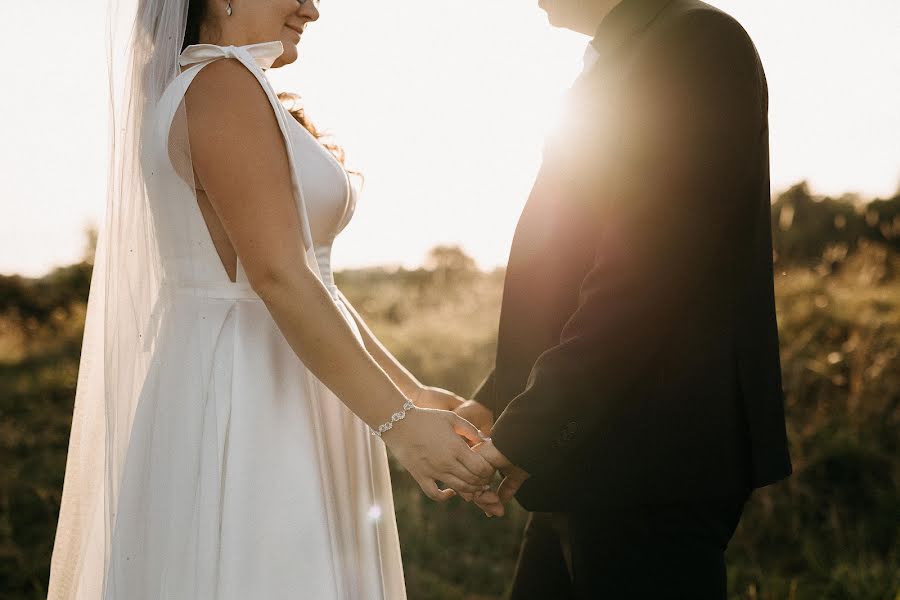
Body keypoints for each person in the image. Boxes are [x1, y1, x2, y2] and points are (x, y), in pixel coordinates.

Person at [46, 0, 493, 598]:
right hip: (253, 391)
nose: (312, 9)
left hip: (283, 373)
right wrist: (400, 425)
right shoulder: (220, 82)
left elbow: (311, 280)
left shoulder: (224, 84)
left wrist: (412, 395)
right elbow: (278, 278)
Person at [458, 0, 793, 597]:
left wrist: (526, 433)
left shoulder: (693, 43)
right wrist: (498, 401)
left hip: (652, 459)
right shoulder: (628, 54)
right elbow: (571, 259)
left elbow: (643, 282)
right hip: (592, 453)